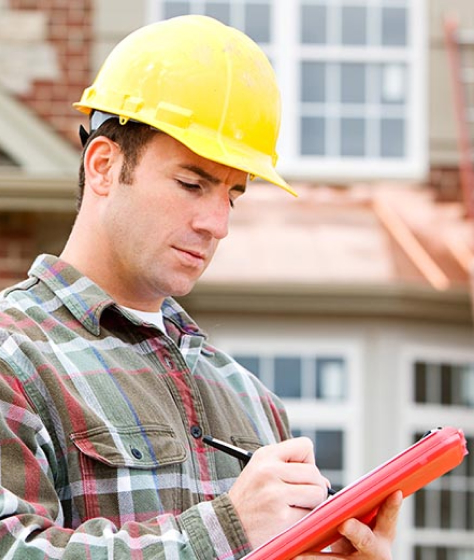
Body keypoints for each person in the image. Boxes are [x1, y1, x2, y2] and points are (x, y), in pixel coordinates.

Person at [0, 14, 402, 559]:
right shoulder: (13, 355)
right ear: (103, 166)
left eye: (233, 195)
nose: (218, 223)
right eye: (192, 184)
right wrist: (226, 530)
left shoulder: (251, 400)